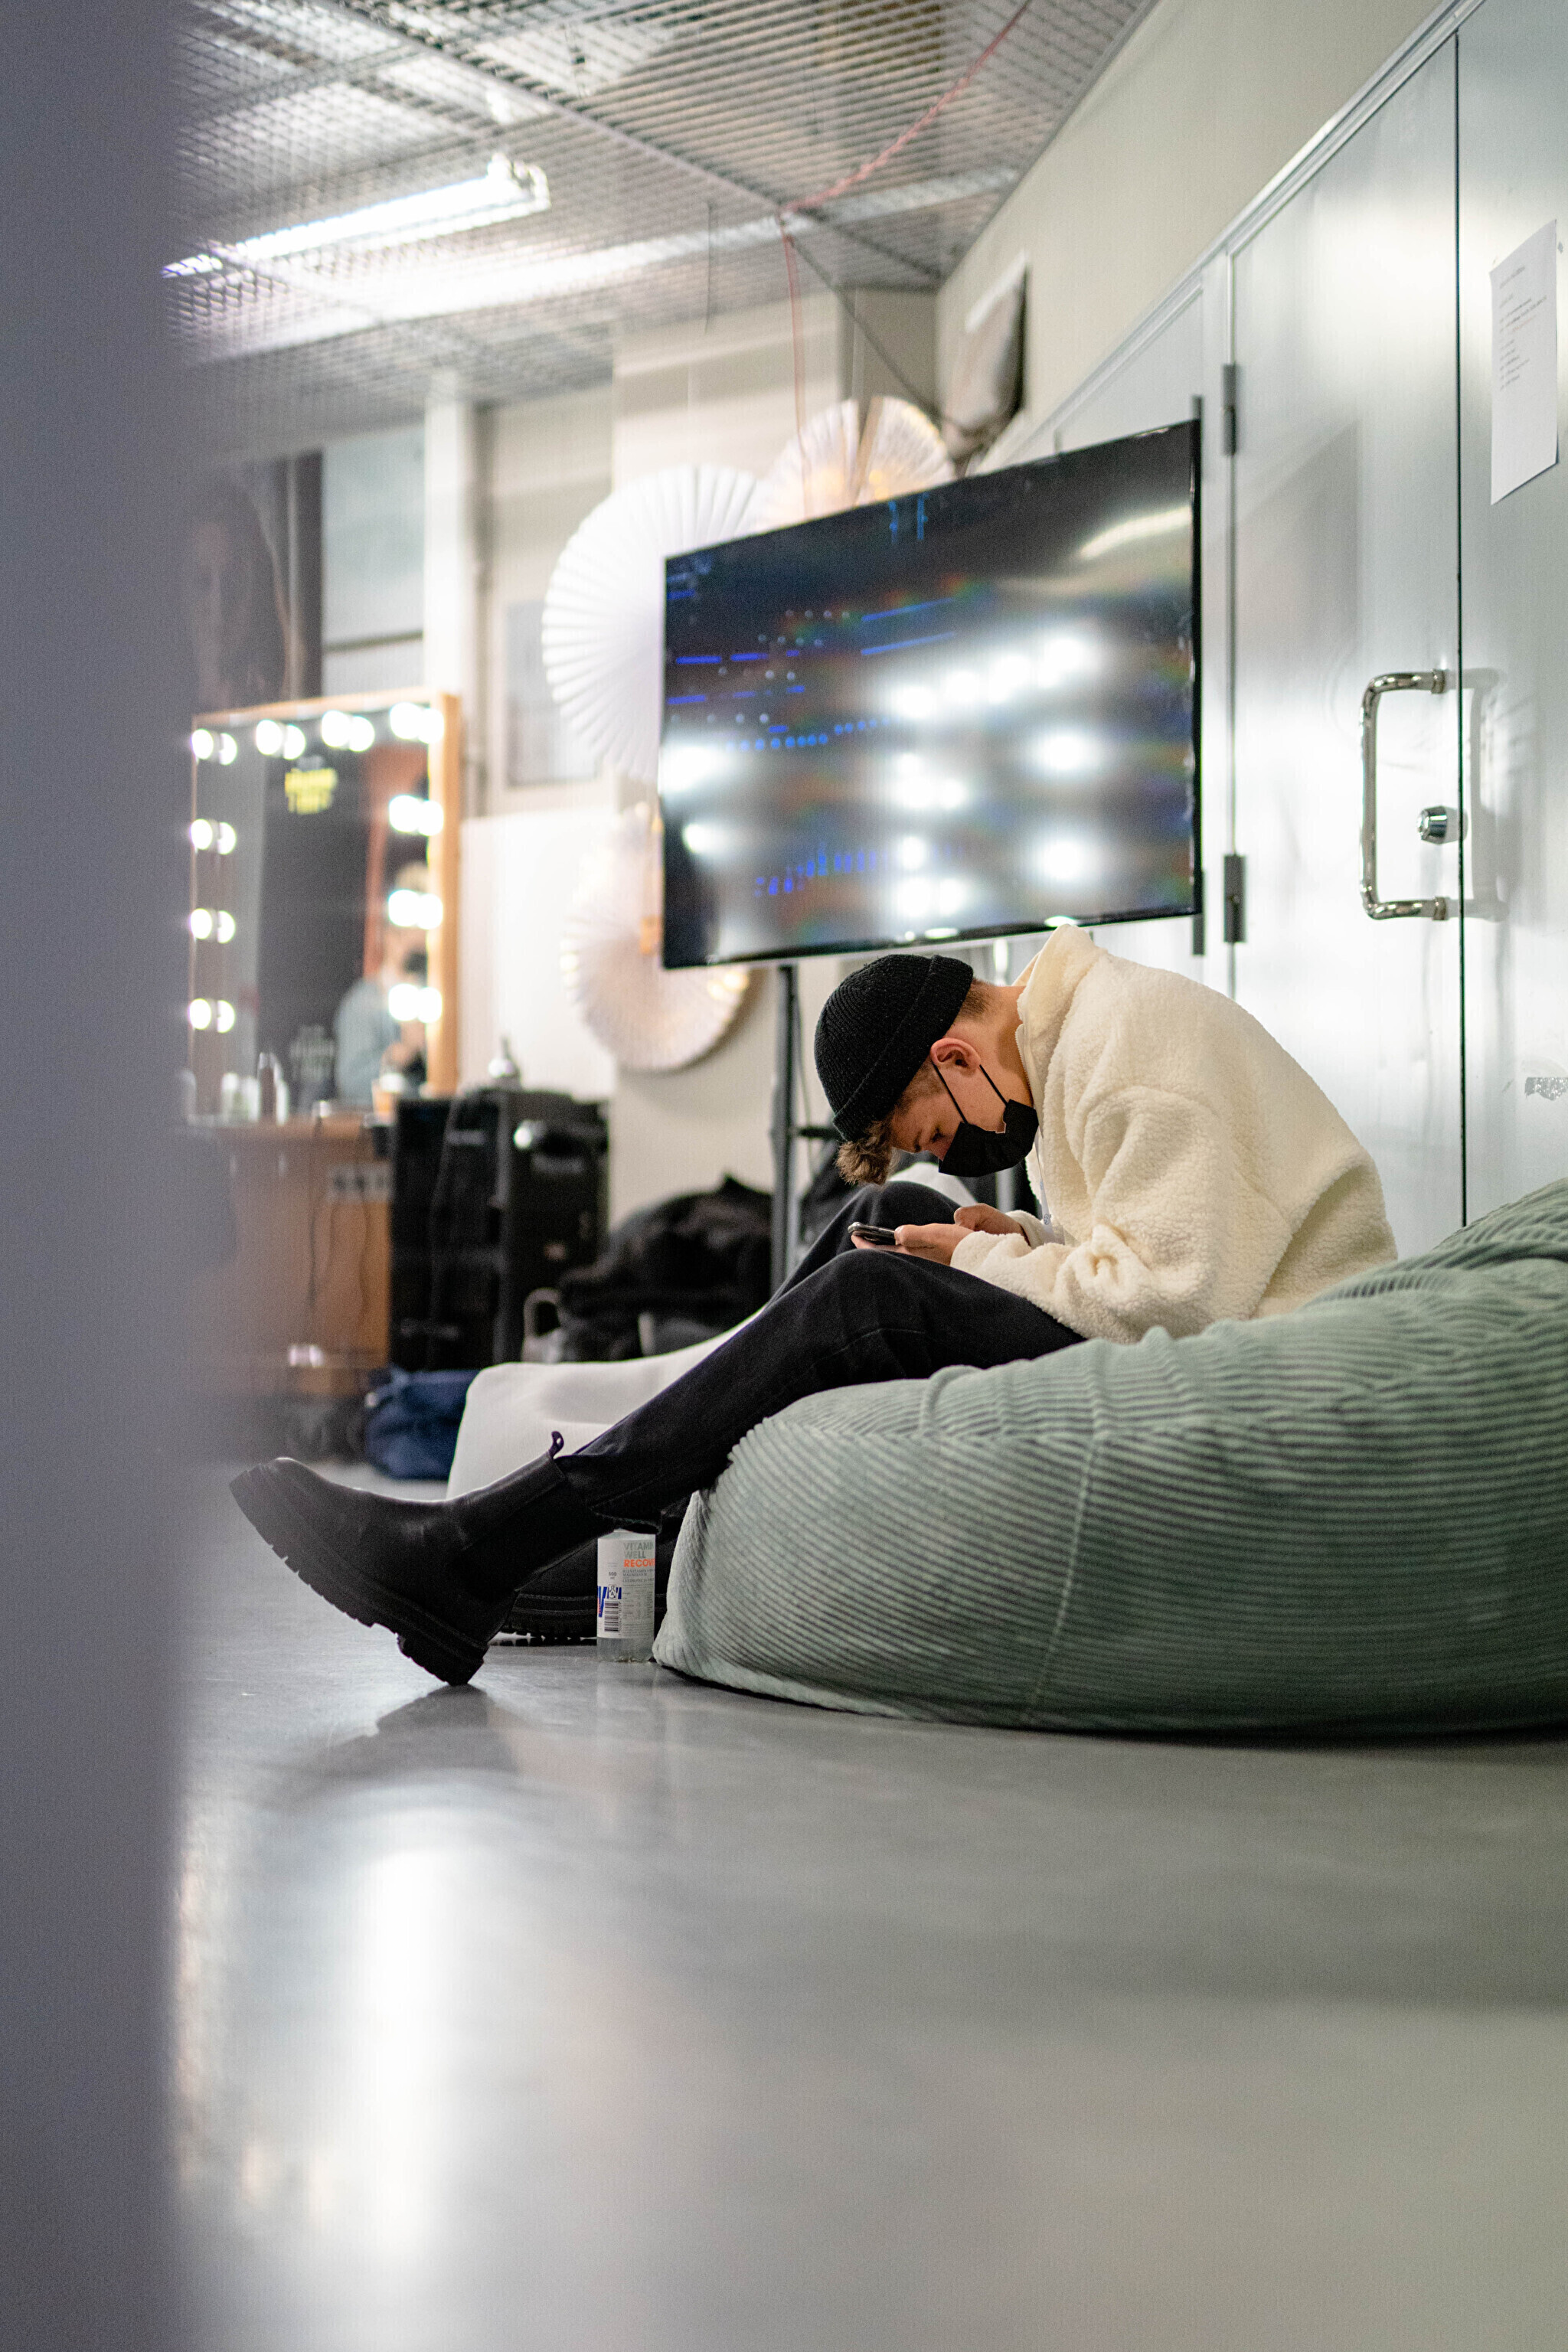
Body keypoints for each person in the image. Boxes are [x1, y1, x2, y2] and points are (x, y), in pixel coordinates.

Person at [233, 933, 1396, 1685]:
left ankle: (482, 1551)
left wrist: (983, 1260)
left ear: (955, 1057)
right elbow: (1139, 1252)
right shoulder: (1069, 1051)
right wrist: (1018, 1243)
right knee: (884, 1218)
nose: (963, 1150)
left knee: (871, 1293)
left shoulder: (1124, 1046)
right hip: (1196, 1316)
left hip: (1268, 1354)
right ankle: (612, 1525)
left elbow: (1174, 1300)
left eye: (937, 1130)